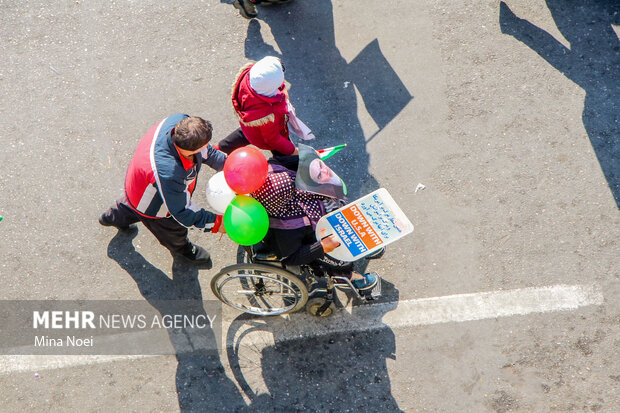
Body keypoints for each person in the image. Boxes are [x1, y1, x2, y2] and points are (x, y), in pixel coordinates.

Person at [99, 114, 226, 265]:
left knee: (131, 205)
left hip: (140, 182)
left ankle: (111, 216)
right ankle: (182, 250)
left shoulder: (181, 123)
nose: (207, 146)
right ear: (188, 150)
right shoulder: (169, 173)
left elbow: (208, 152)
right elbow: (182, 212)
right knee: (172, 231)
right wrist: (217, 223)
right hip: (153, 202)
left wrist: (231, 167)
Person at [251, 156, 377, 291]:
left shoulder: (273, 169)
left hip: (320, 216)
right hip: (312, 240)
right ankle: (344, 275)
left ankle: (362, 237)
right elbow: (291, 258)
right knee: (336, 251)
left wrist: (313, 162)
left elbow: (297, 160)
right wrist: (321, 246)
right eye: (291, 188)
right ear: (284, 198)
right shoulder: (285, 228)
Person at [217, 56, 312, 156]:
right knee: (284, 153)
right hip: (267, 136)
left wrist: (282, 88)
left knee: (246, 133)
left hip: (250, 127)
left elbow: (272, 83)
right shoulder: (268, 114)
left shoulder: (250, 77)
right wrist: (292, 150)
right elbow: (273, 139)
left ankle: (221, 149)